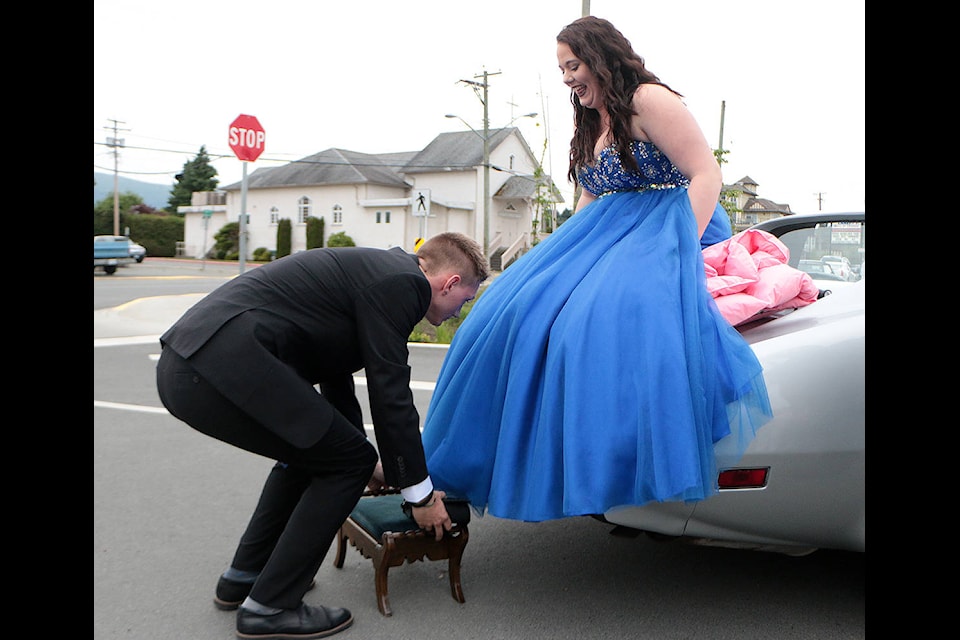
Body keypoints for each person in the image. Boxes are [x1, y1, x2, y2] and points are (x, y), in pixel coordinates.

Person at [420, 16, 773, 523]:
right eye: (562, 69)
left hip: (667, 223)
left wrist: (678, 248)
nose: (566, 78)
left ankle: (606, 464)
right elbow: (590, 193)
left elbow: (706, 173)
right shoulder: (593, 119)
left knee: (591, 319)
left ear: (600, 56)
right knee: (506, 306)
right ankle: (465, 462)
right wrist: (551, 256)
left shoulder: (649, 100)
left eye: (573, 65)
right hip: (607, 229)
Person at [155, 232, 487, 639]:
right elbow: (391, 393)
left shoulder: (378, 272)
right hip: (213, 368)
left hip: (191, 366)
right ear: (450, 283)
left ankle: (245, 577)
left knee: (317, 453)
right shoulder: (404, 284)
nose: (459, 312)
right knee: (345, 461)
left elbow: (335, 376)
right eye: (464, 301)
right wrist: (417, 494)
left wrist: (370, 460)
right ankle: (271, 606)